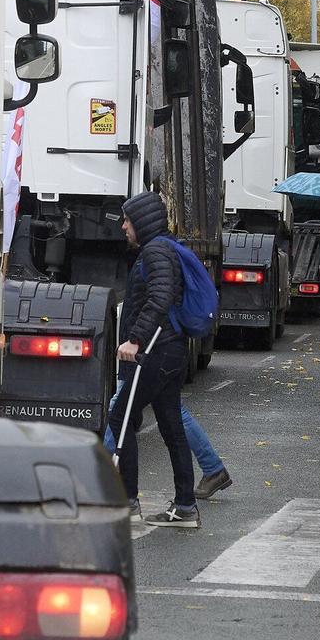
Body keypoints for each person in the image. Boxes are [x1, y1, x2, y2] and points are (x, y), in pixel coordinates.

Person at [108, 192, 199, 528]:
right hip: (171, 350)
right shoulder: (161, 248)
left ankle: (128, 501)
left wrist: (135, 339)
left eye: (127, 220)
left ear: (142, 222)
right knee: (172, 427)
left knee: (120, 419)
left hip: (156, 352)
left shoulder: (155, 251)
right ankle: (186, 506)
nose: (123, 226)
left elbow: (160, 297)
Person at [102, 395, 231, 499]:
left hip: (142, 364)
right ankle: (212, 469)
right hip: (153, 364)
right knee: (172, 407)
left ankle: (105, 475)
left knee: (121, 408)